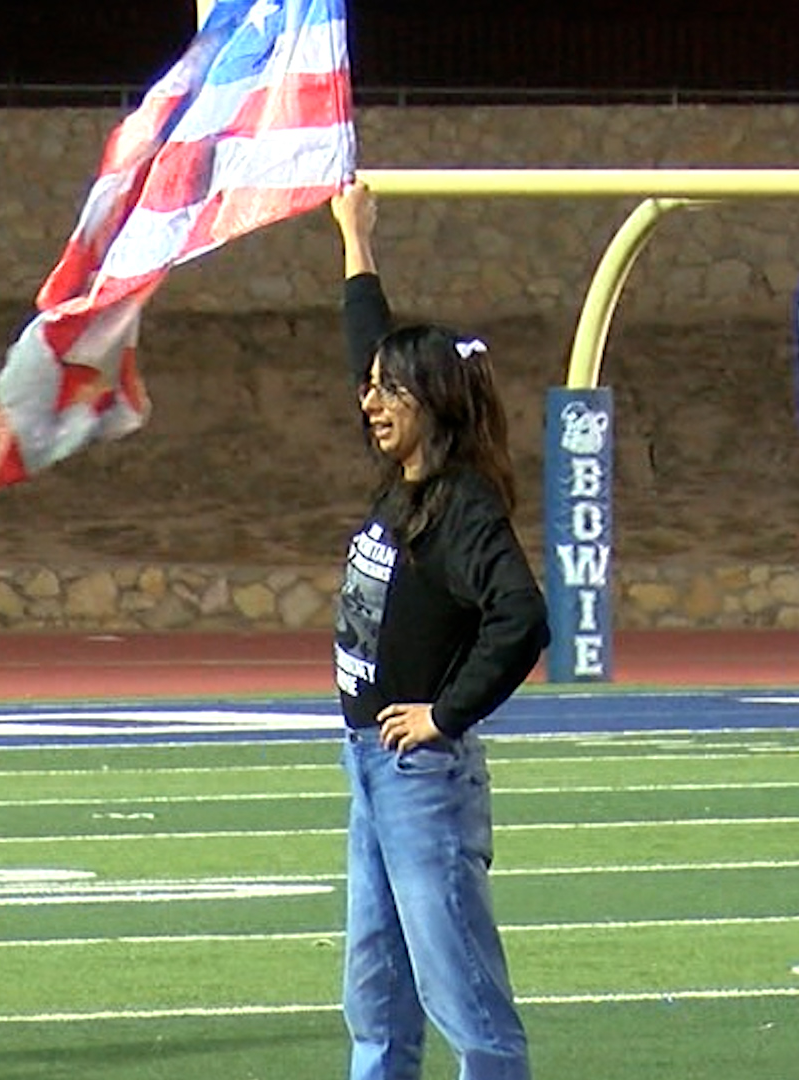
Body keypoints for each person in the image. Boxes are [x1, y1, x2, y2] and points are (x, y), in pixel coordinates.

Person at [327, 179, 550, 1080]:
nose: (371, 404)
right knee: (376, 996)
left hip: (421, 774)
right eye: (370, 390)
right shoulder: (406, 481)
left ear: (435, 403)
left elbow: (523, 616)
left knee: (464, 999)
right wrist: (355, 238)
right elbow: (362, 342)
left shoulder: (458, 507)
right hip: (369, 768)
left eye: (390, 393)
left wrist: (444, 715)